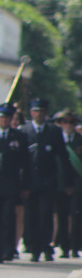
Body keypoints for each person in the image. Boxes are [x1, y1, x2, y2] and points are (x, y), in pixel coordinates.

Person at [20, 97, 68, 261]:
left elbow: (63, 157)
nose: (38, 114)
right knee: (31, 215)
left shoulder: (54, 131)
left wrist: (66, 182)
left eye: (41, 111)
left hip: (48, 180)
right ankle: (34, 247)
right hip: (29, 181)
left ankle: (46, 245)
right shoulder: (24, 130)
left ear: (46, 113)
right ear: (31, 112)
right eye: (35, 111)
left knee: (45, 214)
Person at [0, 103, 30, 263]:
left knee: (7, 217)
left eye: (7, 117)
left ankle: (8, 249)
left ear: (11, 119)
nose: (4, 120)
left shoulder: (18, 137)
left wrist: (25, 185)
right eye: (1, 117)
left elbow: (26, 163)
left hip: (11, 185)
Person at [53, 110, 82, 258]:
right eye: (65, 121)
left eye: (71, 122)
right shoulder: (56, 139)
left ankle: (75, 246)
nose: (68, 124)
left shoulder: (80, 140)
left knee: (76, 216)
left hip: (77, 185)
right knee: (62, 216)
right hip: (60, 184)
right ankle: (64, 246)